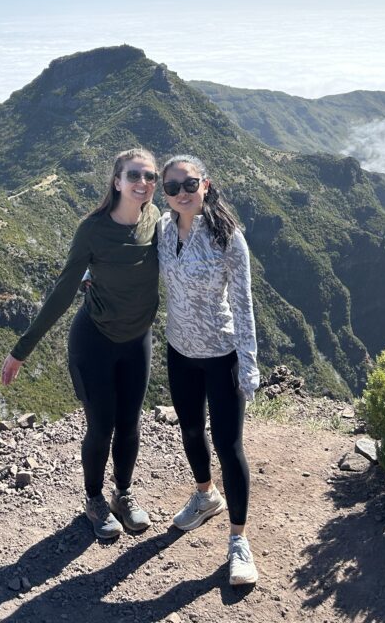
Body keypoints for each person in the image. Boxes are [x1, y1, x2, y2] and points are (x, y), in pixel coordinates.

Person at [1, 149, 160, 540]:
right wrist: (22, 349)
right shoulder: (92, 229)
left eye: (150, 176)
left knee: (130, 423)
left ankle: (122, 494)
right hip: (95, 342)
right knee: (101, 425)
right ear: (117, 181)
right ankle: (94, 500)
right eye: (134, 175)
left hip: (138, 339)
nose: (143, 183)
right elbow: (63, 290)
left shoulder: (156, 221)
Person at [158, 153, 260, 586]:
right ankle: (205, 496)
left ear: (206, 185)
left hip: (222, 353)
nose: (182, 193)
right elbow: (124, 253)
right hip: (179, 349)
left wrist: (249, 365)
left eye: (189, 184)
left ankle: (238, 541)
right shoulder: (162, 230)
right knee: (188, 431)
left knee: (229, 444)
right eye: (172, 187)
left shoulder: (228, 237)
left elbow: (243, 304)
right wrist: (90, 270)